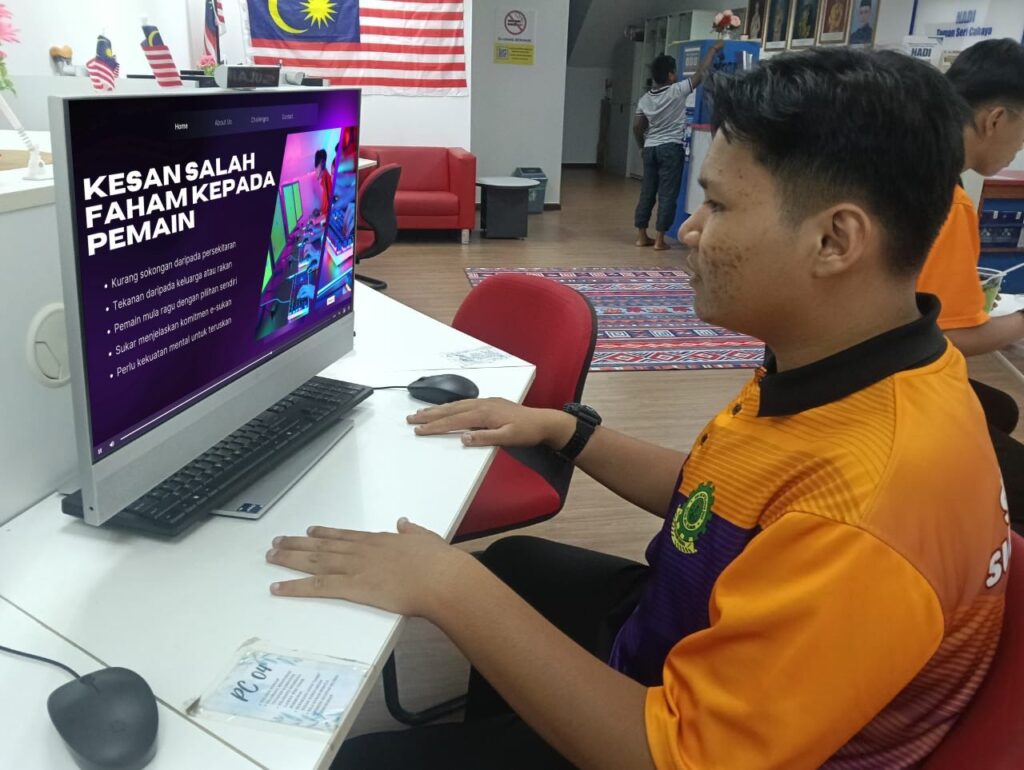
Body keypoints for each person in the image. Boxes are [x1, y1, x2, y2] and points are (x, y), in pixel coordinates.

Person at [266, 49, 1009, 770]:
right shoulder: (858, 366)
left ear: (834, 240)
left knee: (360, 757)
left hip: (673, 734)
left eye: (718, 205)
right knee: (519, 567)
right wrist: (568, 430)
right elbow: (724, 498)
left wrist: (445, 584)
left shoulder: (869, 503)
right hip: (682, 630)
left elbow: (675, 757)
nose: (689, 230)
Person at [917, 38, 1024, 533]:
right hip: (880, 386)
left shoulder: (904, 158)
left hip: (822, 357)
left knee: (1000, 407)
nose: (1019, 151)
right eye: (1022, 136)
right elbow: (949, 339)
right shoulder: (949, 199)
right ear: (995, 119)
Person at [633, 43, 722, 251]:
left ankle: (641, 236)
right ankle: (659, 240)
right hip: (671, 149)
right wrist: (712, 51)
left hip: (651, 149)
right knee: (667, 194)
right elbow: (700, 74)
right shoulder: (677, 91)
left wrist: (642, 147)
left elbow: (637, 127)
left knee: (647, 192)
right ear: (671, 75)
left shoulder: (645, 99)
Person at [313, 147, 332, 217]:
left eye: (316, 167)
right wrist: (319, 211)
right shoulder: (324, 181)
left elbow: (329, 211)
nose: (315, 170)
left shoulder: (327, 182)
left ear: (322, 165)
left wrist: (319, 218)